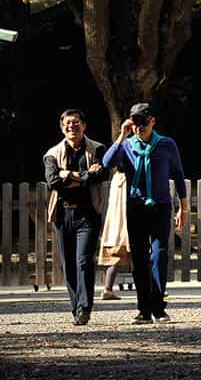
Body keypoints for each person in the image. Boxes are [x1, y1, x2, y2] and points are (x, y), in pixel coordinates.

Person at [101, 103, 188, 324]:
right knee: (139, 259)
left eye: (143, 121)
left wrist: (183, 208)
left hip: (160, 206)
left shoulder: (166, 145)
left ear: (153, 121)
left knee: (159, 255)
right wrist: (121, 135)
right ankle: (144, 309)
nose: (139, 126)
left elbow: (178, 175)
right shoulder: (127, 145)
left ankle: (158, 306)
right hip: (136, 206)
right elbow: (107, 162)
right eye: (135, 122)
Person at [44, 108, 107, 325]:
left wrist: (68, 175)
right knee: (68, 264)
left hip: (88, 213)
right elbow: (53, 181)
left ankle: (85, 308)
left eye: (76, 122)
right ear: (62, 128)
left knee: (83, 262)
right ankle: (76, 308)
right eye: (68, 123)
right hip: (62, 214)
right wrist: (82, 175)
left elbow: (100, 175)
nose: (72, 126)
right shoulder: (52, 153)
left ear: (84, 126)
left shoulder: (97, 148)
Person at [97, 168, 131, 301]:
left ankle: (108, 288)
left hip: (116, 221)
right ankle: (153, 288)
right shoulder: (127, 178)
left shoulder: (115, 178)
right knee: (140, 256)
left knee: (115, 255)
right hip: (128, 217)